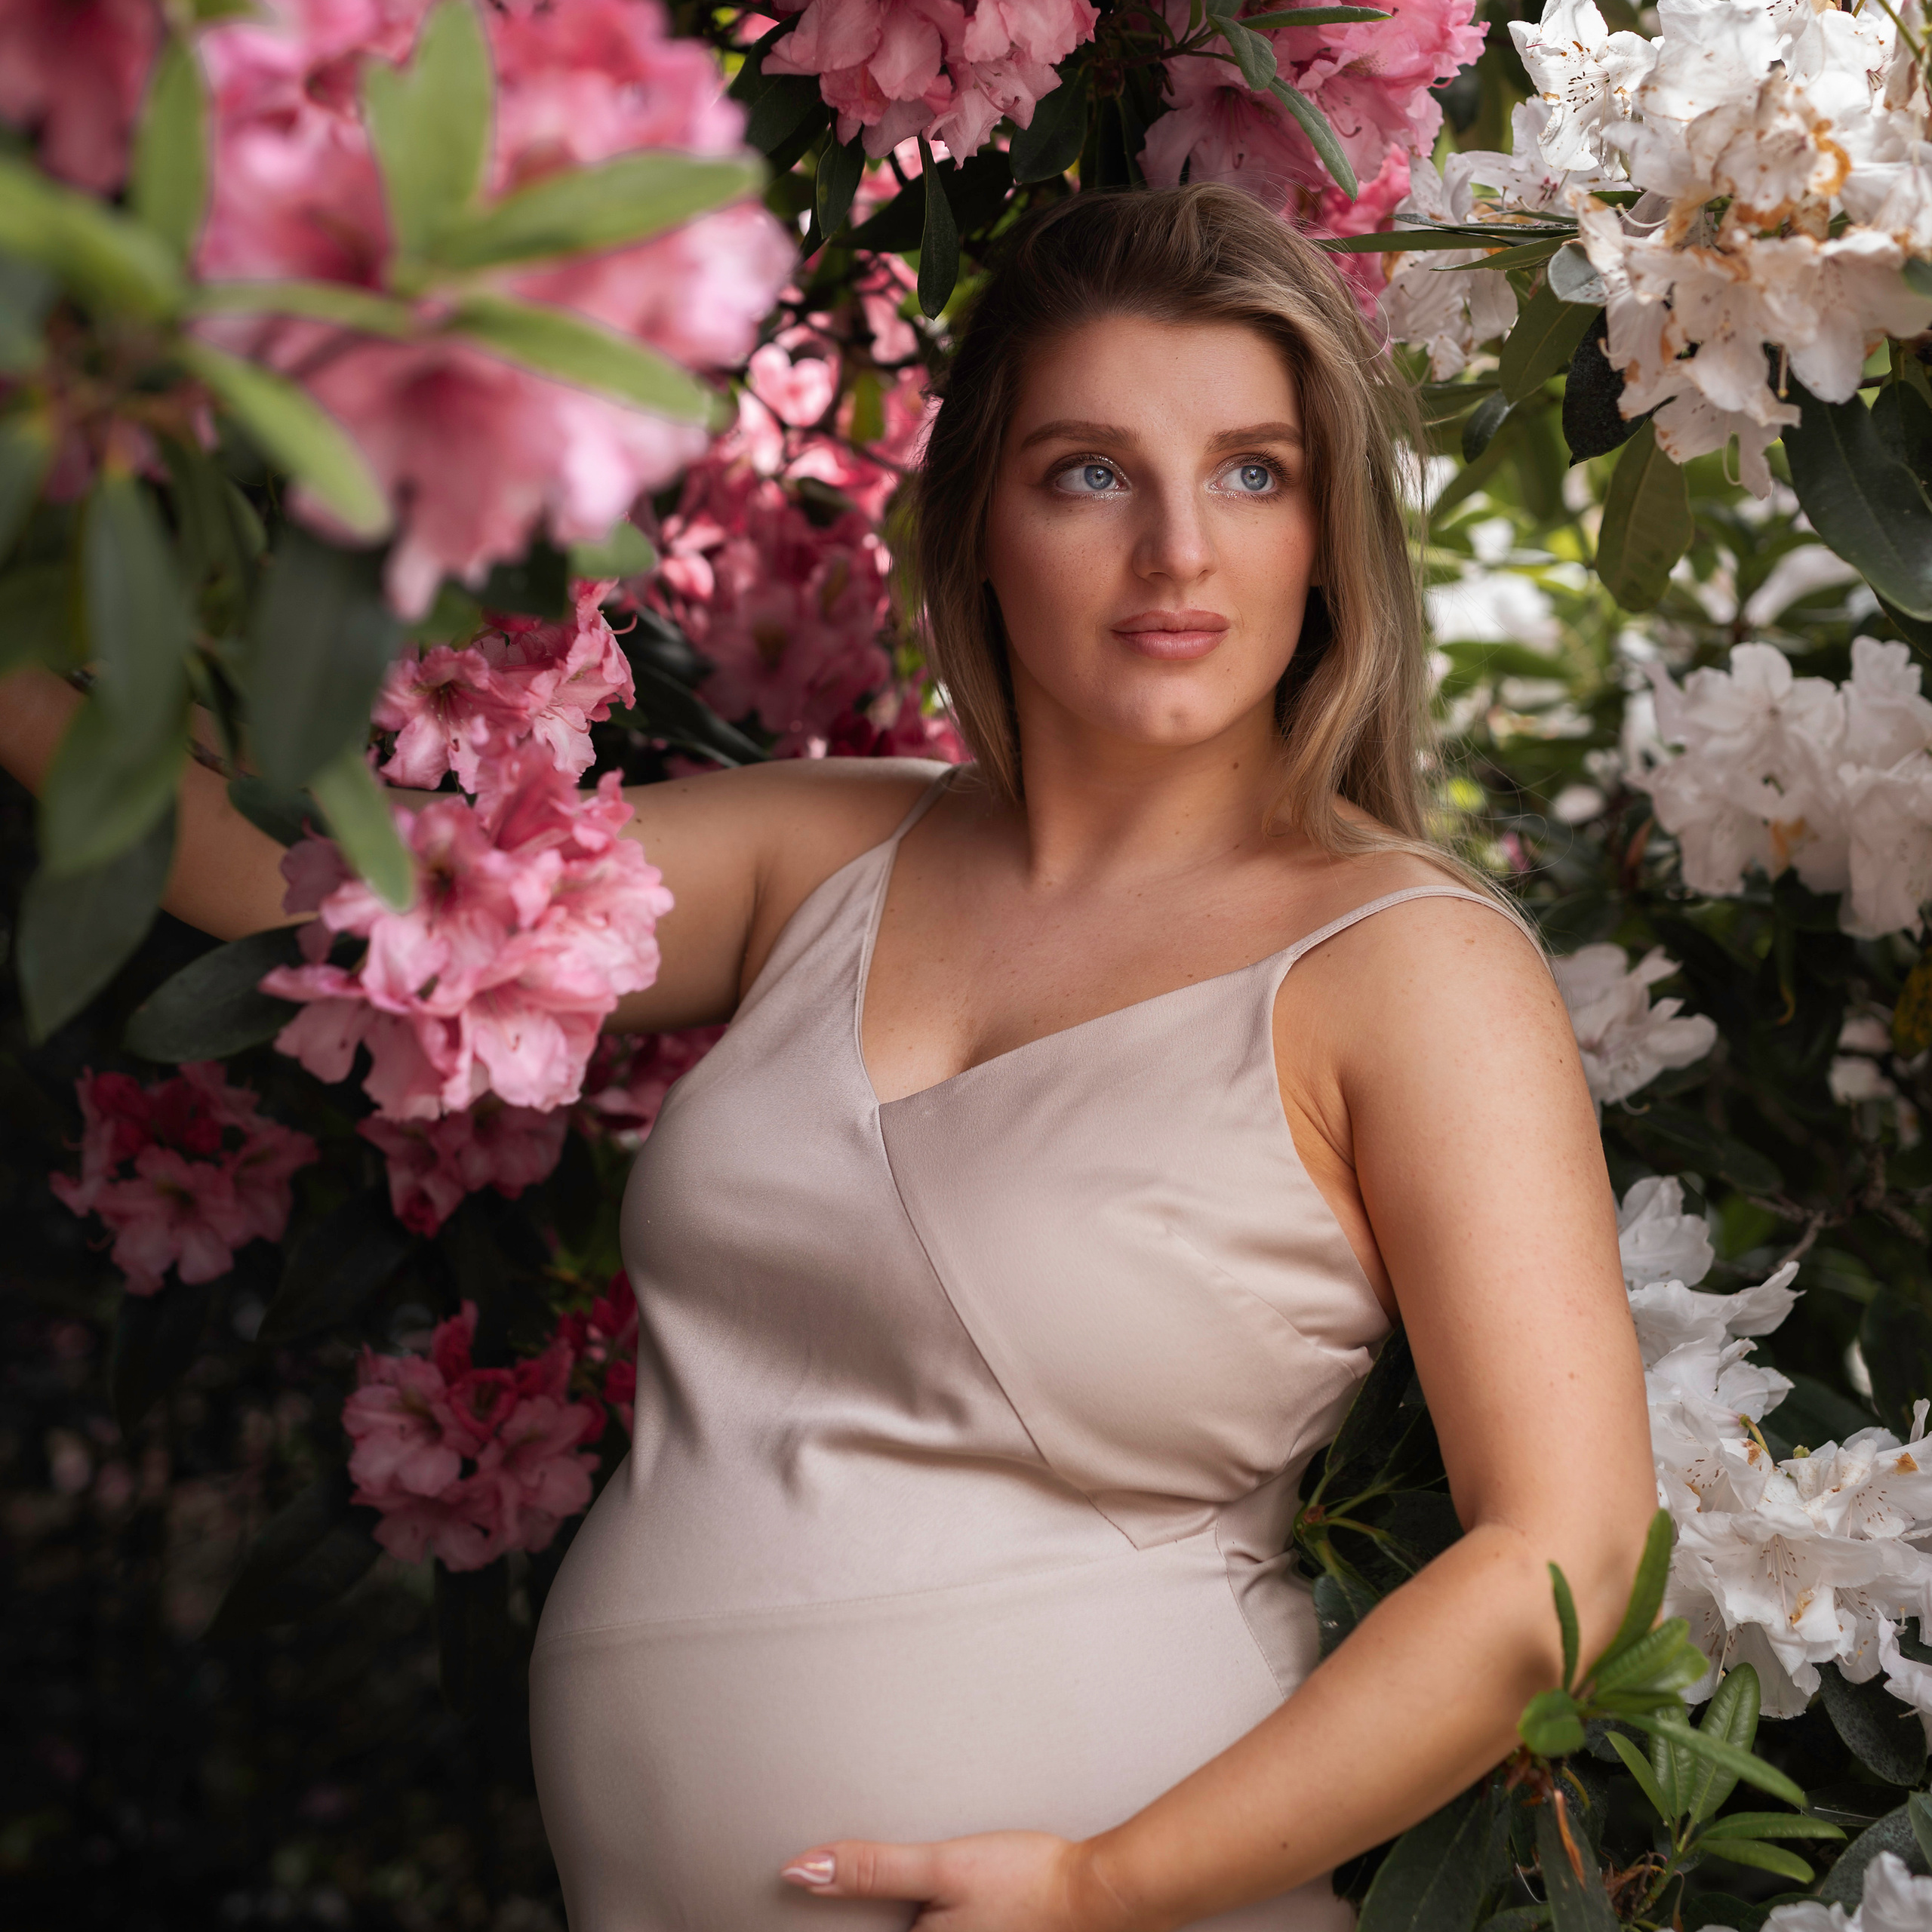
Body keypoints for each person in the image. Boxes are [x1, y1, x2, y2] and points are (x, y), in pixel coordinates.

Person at [0, 182, 1655, 1930]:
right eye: (1088, 471)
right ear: (979, 525)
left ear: (1326, 532)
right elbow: (322, 891)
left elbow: (1563, 1547)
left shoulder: (1405, 964)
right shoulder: (827, 851)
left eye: (1252, 469)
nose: (1178, 548)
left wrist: (1105, 1880)